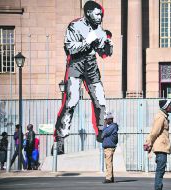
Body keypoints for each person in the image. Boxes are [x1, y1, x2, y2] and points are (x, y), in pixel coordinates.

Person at [54, 0, 113, 154]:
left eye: (101, 14)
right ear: (88, 13)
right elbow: (70, 48)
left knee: (100, 99)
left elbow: (104, 53)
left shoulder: (99, 29)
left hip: (91, 65)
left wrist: (107, 45)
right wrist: (87, 41)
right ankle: (60, 139)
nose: (100, 17)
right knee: (71, 101)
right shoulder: (74, 26)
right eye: (97, 14)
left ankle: (101, 134)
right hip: (76, 64)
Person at [144, 100, 171, 190]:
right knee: (160, 171)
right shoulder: (161, 117)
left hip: (162, 147)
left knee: (160, 171)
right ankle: (158, 188)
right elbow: (154, 132)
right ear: (166, 107)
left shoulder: (163, 116)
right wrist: (148, 143)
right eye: (170, 105)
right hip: (161, 148)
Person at [101, 112, 118, 183]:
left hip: (109, 147)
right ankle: (111, 177)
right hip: (108, 147)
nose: (105, 121)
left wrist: (104, 125)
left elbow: (105, 133)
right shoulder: (111, 126)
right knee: (109, 162)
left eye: (106, 119)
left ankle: (109, 178)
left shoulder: (112, 126)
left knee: (108, 163)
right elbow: (103, 133)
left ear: (110, 119)